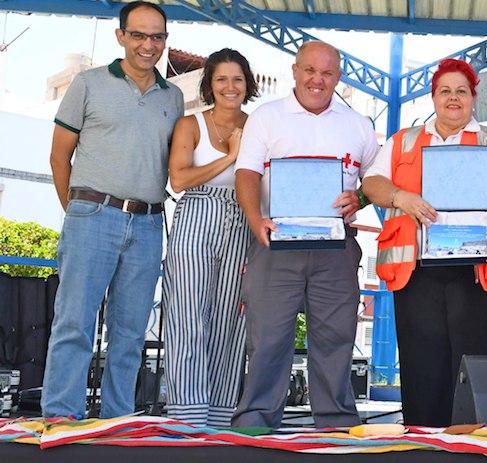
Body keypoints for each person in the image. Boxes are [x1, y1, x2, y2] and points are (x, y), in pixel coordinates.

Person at [42, 1, 183, 419]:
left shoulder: (173, 97)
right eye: (138, 35)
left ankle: (117, 418)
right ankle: (61, 415)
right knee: (74, 323)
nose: (148, 44)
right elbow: (58, 157)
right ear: (121, 36)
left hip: (149, 222)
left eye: (156, 36)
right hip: (92, 214)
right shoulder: (87, 84)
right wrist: (78, 212)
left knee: (130, 331)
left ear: (164, 41)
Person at [361, 58, 487, 427]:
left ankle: (474, 442)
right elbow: (372, 183)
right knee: (421, 363)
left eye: (461, 91)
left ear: (473, 98)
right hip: (417, 271)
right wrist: (402, 197)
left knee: (476, 366)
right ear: (433, 97)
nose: (453, 98)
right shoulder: (404, 140)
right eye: (445, 91)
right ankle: (422, 441)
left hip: (476, 268)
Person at [232, 41, 378, 429]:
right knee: (268, 335)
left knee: (335, 336)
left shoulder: (359, 125)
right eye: (310, 70)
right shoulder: (267, 117)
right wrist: (254, 219)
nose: (318, 79)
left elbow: (376, 180)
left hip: (336, 247)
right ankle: (256, 419)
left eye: (327, 73)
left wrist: (360, 197)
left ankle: (335, 420)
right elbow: (246, 173)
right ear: (295, 71)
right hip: (274, 242)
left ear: (339, 78)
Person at [162, 48, 259, 427]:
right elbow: (179, 179)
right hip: (197, 214)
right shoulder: (191, 125)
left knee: (229, 323)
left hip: (241, 217)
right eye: (221, 79)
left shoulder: (259, 125)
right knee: (187, 316)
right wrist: (230, 156)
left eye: (237, 79)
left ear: (247, 84)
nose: (229, 87)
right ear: (209, 84)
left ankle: (217, 415)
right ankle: (187, 415)